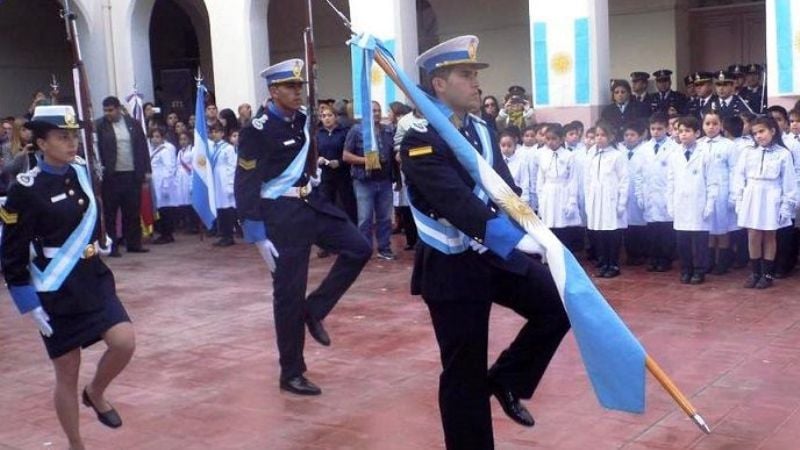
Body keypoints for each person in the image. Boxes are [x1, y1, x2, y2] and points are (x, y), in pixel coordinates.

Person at [400, 35, 569, 449]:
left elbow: (505, 189)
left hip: (493, 254)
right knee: (464, 372)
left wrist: (536, 233)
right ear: (439, 84)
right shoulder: (419, 136)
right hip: (451, 263)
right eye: (466, 74)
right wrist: (516, 240)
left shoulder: (481, 129)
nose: (476, 83)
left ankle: (507, 379)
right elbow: (455, 202)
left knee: (557, 305)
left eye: (476, 74)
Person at [1, 106, 136, 450]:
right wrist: (28, 302)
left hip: (92, 277)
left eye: (73, 135)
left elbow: (87, 212)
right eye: (62, 137)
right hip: (56, 287)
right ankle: (76, 444)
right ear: (41, 143)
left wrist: (100, 238)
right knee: (67, 371)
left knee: (124, 342)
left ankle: (96, 392)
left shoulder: (80, 171)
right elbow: (12, 252)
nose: (71, 142)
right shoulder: (25, 189)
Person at [235, 59, 371, 396]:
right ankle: (291, 372)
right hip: (281, 215)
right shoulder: (257, 130)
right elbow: (245, 181)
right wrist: (256, 234)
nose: (298, 92)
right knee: (288, 294)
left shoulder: (301, 120)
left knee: (359, 248)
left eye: (300, 87)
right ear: (273, 91)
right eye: (290, 87)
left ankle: (315, 309)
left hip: (312, 203)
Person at [733, 116, 797, 288]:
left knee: (769, 235)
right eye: (755, 133)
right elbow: (739, 177)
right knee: (753, 234)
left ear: (772, 131)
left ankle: (767, 274)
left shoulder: (783, 154)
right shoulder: (748, 152)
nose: (758, 136)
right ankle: (755, 272)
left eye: (762, 131)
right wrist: (739, 199)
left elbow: (789, 182)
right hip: (752, 195)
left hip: (771, 196)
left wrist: (786, 206)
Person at [95, 96, 151, 257]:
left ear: (118, 109)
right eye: (105, 110)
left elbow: (142, 147)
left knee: (132, 211)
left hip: (132, 175)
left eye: (111, 110)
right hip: (111, 176)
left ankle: (134, 243)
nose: (108, 113)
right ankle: (112, 246)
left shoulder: (133, 124)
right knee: (110, 212)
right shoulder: (99, 126)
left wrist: (146, 170)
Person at [667, 116, 718, 285]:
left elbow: (712, 182)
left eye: (687, 131)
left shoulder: (706, 154)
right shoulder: (674, 154)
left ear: (697, 133)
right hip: (680, 203)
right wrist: (670, 204)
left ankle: (699, 270)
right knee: (683, 240)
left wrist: (709, 204)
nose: (683, 134)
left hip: (699, 203)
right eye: (680, 131)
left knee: (699, 241)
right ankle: (686, 269)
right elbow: (671, 181)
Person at [343, 100, 396, 260]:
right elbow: (346, 156)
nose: (376, 113)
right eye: (373, 111)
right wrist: (366, 160)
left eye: (378, 110)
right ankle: (364, 250)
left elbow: (392, 154)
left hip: (385, 180)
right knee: (365, 218)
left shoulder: (388, 130)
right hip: (364, 181)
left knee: (385, 218)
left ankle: (384, 248)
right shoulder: (357, 130)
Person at [584, 121, 628, 278]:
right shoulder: (591, 155)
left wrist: (621, 203)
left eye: (603, 135)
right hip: (596, 198)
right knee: (600, 232)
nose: (599, 138)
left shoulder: (617, 155)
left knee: (612, 232)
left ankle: (613, 264)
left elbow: (624, 180)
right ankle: (604, 262)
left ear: (611, 137)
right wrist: (588, 200)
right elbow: (587, 179)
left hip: (611, 198)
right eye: (597, 135)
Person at [698, 110, 738, 275]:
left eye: (715, 123)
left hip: (723, 191)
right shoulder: (698, 144)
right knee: (707, 227)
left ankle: (722, 261)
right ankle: (708, 261)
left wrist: (733, 194)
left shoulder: (729, 145)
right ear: (702, 125)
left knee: (722, 228)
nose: (711, 127)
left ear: (721, 125)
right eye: (707, 123)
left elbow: (735, 171)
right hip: (704, 191)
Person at [536, 124, 582, 250]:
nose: (550, 142)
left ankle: (566, 253)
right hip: (548, 194)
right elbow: (540, 180)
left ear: (561, 139)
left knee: (564, 228)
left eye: (554, 139)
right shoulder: (543, 156)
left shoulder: (569, 156)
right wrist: (541, 200)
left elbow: (573, 179)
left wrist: (572, 201)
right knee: (549, 227)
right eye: (548, 139)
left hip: (563, 193)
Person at [642, 113, 677, 272]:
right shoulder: (644, 148)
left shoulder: (674, 148)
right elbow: (639, 174)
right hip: (650, 193)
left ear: (667, 129)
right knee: (652, 230)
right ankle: (653, 258)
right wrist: (641, 194)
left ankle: (665, 259)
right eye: (653, 129)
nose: (655, 132)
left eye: (659, 129)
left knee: (666, 230)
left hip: (665, 193)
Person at [316, 103, 357, 223]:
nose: (327, 118)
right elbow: (314, 153)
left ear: (335, 117)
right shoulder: (318, 134)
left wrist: (339, 162)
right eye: (323, 116)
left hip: (343, 174)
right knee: (326, 204)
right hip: (325, 175)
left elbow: (350, 151)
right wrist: (318, 159)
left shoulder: (344, 132)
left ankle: (352, 228)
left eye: (329, 115)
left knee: (348, 204)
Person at [621, 120, 648, 266]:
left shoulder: (644, 151)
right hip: (625, 192)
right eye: (626, 135)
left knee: (640, 224)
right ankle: (630, 253)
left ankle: (641, 253)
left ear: (640, 136)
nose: (629, 138)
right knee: (627, 225)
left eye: (632, 135)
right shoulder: (620, 151)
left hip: (639, 192)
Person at [147, 127, 179, 244]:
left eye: (157, 137)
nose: (155, 139)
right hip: (156, 182)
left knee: (166, 209)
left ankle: (167, 234)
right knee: (160, 209)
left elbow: (169, 168)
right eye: (153, 137)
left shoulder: (165, 151)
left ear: (162, 138)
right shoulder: (152, 150)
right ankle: (163, 233)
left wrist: (166, 185)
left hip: (164, 182)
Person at [208, 122, 237, 247]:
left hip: (225, 178)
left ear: (222, 133)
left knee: (227, 207)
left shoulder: (228, 148)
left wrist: (230, 184)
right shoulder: (212, 147)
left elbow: (232, 166)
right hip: (216, 179)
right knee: (219, 207)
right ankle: (222, 234)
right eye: (212, 132)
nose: (214, 134)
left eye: (217, 132)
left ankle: (229, 235)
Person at [175, 131, 195, 231]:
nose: (182, 141)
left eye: (185, 139)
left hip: (189, 177)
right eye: (181, 139)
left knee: (191, 202)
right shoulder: (179, 152)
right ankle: (186, 224)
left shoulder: (193, 150)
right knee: (183, 202)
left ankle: (193, 224)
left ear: (189, 140)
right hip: (181, 179)